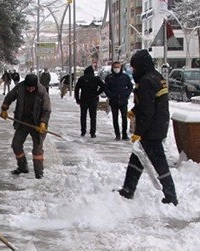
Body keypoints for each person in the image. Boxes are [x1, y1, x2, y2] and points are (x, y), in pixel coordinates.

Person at [118, 49, 178, 206]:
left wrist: (138, 132)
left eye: (135, 67)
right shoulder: (155, 77)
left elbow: (147, 111)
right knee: (137, 158)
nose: (133, 70)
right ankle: (128, 189)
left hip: (152, 129)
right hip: (158, 125)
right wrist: (134, 111)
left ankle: (171, 196)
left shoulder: (146, 81)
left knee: (158, 162)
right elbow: (147, 104)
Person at [0, 74, 51, 179]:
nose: (30, 89)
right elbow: (10, 96)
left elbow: (47, 109)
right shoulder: (20, 88)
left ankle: (39, 172)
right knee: (16, 145)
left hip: (37, 123)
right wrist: (4, 109)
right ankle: (23, 166)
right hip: (22, 121)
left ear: (36, 86)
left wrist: (43, 122)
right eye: (28, 87)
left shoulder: (42, 91)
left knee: (37, 149)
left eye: (32, 88)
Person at [103, 61, 134, 140]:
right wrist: (110, 95)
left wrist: (126, 94)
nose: (117, 69)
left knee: (124, 118)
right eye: (115, 67)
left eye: (118, 67)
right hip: (114, 101)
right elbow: (106, 88)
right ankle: (117, 134)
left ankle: (124, 134)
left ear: (121, 68)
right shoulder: (109, 78)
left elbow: (130, 86)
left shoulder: (125, 77)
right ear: (112, 68)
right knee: (115, 118)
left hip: (123, 101)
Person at [74, 66, 105, 138]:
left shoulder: (81, 79)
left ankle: (83, 131)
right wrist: (97, 93)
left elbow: (77, 89)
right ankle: (92, 132)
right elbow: (103, 86)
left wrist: (77, 99)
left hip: (84, 99)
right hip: (93, 99)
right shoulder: (96, 79)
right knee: (93, 117)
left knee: (83, 116)